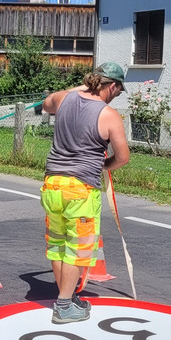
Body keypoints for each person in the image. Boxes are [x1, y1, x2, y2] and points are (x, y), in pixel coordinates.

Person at [40, 62, 130, 324]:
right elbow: (123, 157)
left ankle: (65, 297)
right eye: (118, 91)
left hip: (52, 185)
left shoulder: (64, 99)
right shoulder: (108, 114)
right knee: (77, 251)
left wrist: (82, 86)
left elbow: (46, 103)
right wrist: (103, 166)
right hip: (80, 190)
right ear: (112, 86)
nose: (117, 96)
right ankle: (65, 305)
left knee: (58, 245)